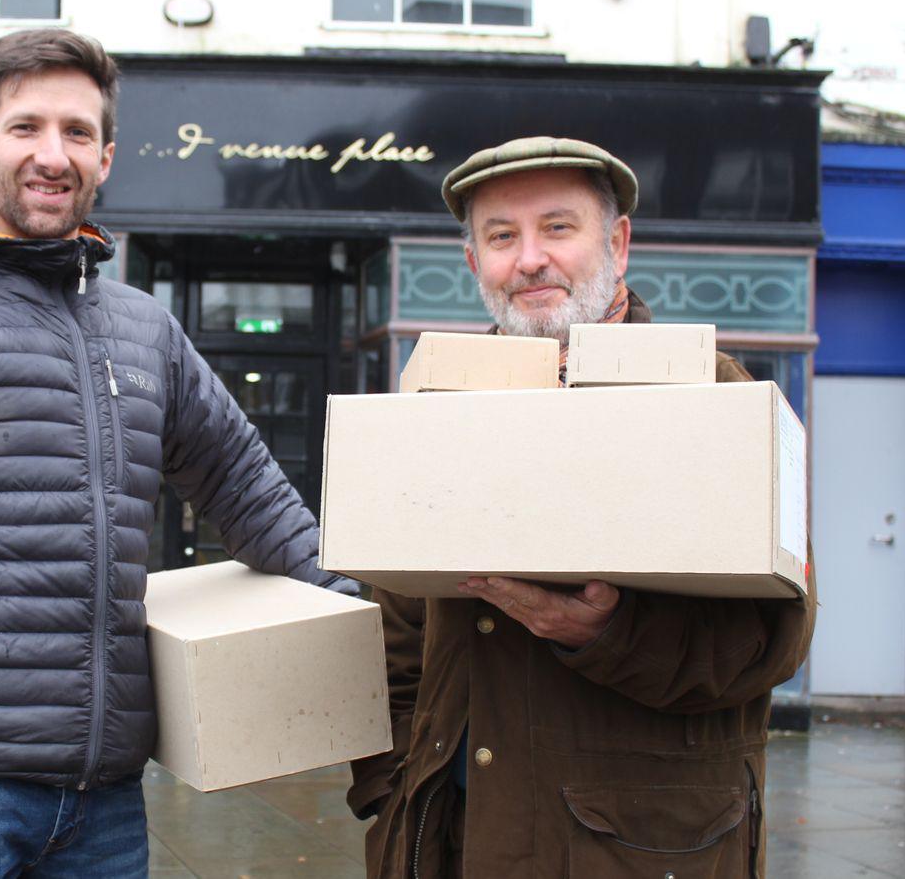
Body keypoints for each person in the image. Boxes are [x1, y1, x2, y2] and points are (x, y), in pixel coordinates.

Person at [0, 28, 355, 879]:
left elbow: (252, 497)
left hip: (105, 805)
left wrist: (375, 623)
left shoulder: (142, 327)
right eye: (26, 128)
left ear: (107, 156)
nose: (53, 155)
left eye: (77, 133)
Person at [346, 137, 816, 878]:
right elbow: (393, 635)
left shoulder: (719, 398)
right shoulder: (439, 406)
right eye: (502, 236)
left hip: (639, 849)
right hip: (448, 843)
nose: (530, 258)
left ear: (618, 244)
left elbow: (778, 638)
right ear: (474, 264)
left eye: (558, 228)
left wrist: (609, 632)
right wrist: (389, 783)